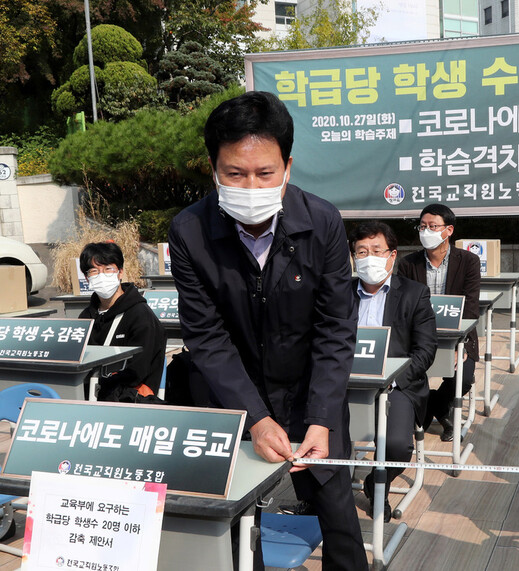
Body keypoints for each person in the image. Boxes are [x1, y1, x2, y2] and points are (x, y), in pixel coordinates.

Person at [167, 91, 367, 570]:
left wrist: (320, 416)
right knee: (232, 513)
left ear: (288, 168)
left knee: (335, 507)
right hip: (228, 396)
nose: (250, 185)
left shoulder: (322, 223)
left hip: (309, 391)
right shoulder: (189, 231)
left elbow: (336, 328)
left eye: (265, 173)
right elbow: (206, 337)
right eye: (235, 174)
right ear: (214, 169)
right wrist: (255, 417)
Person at [349, 221, 437, 522]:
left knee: (398, 445)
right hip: (347, 385)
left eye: (376, 250)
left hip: (396, 387)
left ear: (392, 255)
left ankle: (378, 484)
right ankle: (321, 499)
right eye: (361, 251)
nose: (368, 257)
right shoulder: (338, 294)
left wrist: (392, 380)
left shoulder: (415, 294)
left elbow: (425, 351)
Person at [396, 204, 480, 442]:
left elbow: (471, 308)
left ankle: (432, 406)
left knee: (462, 378)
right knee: (405, 374)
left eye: (433, 226)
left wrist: (457, 345)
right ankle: (440, 414)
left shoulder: (468, 261)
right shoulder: (407, 264)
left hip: (458, 336)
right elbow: (402, 309)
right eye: (422, 226)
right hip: (417, 337)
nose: (426, 231)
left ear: (449, 230)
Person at [78, 242, 166, 402]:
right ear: (86, 278)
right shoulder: (86, 316)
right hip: (88, 394)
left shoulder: (140, 315)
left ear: (120, 272)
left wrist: (100, 385)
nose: (101, 275)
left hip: (127, 398)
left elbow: (138, 371)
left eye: (108, 269)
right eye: (94, 271)